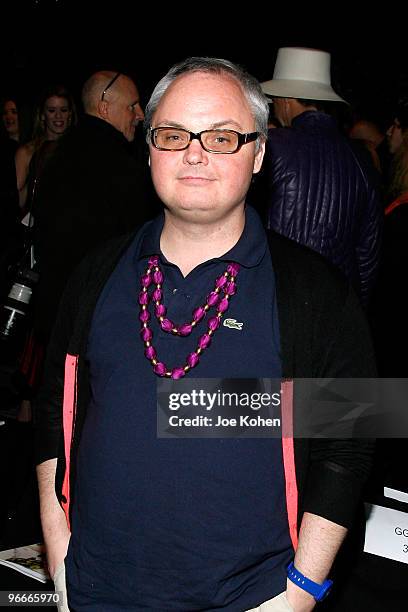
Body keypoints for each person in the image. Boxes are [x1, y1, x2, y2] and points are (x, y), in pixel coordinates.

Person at [35, 57, 375, 612]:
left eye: (222, 137)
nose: (194, 153)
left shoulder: (317, 293)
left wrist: (301, 592)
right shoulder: (95, 273)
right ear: (148, 148)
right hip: (95, 591)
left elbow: (351, 442)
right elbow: (55, 407)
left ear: (259, 152)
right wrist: (58, 555)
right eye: (173, 135)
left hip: (251, 600)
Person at [32, 70, 159, 345]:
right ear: (104, 108)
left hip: (54, 314)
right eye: (132, 106)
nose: (139, 114)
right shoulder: (119, 165)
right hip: (98, 319)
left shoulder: (59, 154)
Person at [261, 47, 382, 307]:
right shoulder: (362, 158)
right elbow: (368, 254)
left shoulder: (272, 147)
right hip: (337, 302)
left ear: (285, 99)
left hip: (278, 297)